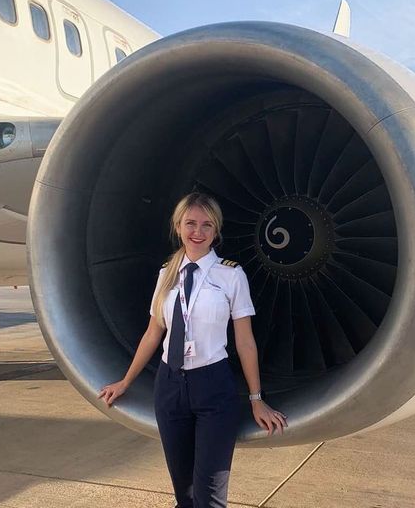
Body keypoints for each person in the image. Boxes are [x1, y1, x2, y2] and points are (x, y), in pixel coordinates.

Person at [98, 192, 287, 508]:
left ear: (216, 231)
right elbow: (153, 333)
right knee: (184, 498)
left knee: (209, 499)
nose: (197, 232)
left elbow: (245, 341)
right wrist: (125, 381)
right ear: (178, 226)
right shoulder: (167, 275)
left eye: (206, 225)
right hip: (169, 388)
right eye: (190, 224)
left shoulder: (231, 276)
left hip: (213, 387)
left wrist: (257, 400)